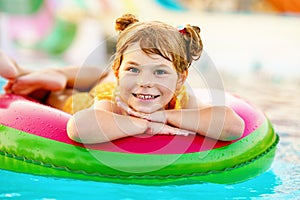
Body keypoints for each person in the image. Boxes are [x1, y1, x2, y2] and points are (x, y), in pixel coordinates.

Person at [0, 14, 245, 144]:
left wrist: (164, 116)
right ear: (120, 71)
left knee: (97, 74)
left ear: (181, 79)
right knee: (60, 94)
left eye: (160, 71)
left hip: (107, 77)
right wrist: (146, 124)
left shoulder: (181, 96)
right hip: (87, 96)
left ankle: (44, 73)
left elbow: (233, 126)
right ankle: (42, 76)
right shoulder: (113, 97)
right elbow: (80, 128)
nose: (145, 81)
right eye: (134, 69)